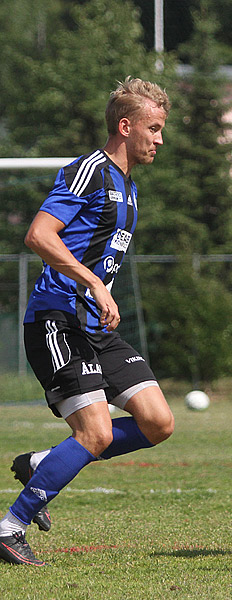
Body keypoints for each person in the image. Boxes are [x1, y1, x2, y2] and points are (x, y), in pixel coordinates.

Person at [0, 77, 174, 566]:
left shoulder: (128, 186)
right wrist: (94, 284)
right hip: (57, 319)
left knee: (159, 422)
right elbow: (39, 235)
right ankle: (10, 525)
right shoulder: (90, 171)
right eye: (153, 128)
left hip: (96, 327)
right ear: (125, 126)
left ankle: (43, 463)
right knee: (95, 433)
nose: (160, 139)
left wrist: (100, 291)